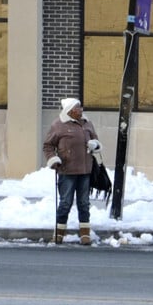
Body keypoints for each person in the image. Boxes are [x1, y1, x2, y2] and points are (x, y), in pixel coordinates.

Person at [42, 96, 102, 245]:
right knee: (65, 203)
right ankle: (59, 233)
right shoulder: (58, 125)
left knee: (84, 203)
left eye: (81, 107)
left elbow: (97, 140)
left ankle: (85, 234)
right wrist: (53, 159)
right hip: (67, 171)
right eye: (77, 108)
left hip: (85, 170)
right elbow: (48, 146)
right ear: (69, 110)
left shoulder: (87, 124)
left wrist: (95, 144)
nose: (80, 110)